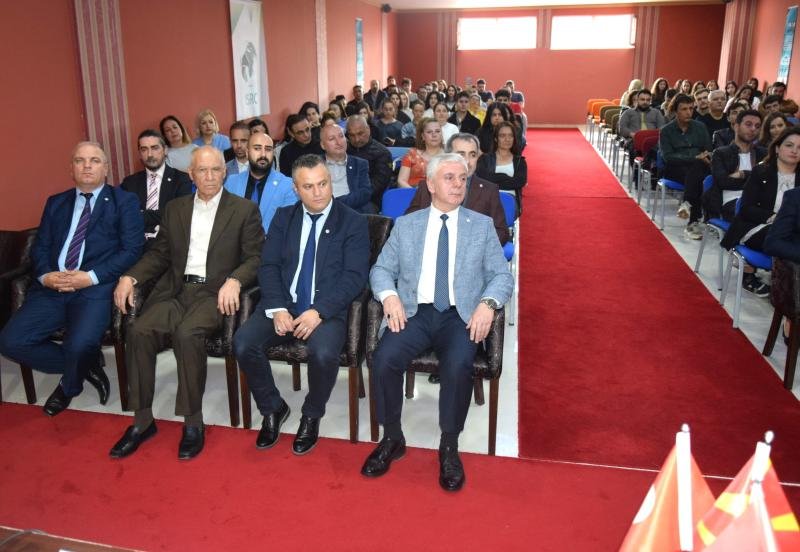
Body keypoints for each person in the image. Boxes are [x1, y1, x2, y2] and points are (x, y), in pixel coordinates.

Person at [363, 152, 513, 492]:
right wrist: (389, 296)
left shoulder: (480, 226)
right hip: (415, 312)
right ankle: (392, 437)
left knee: (458, 365)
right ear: (430, 184)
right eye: (449, 178)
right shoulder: (407, 225)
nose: (458, 184)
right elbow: (382, 269)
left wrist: (488, 304)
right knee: (384, 358)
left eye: (462, 178)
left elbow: (502, 276)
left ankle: (449, 445)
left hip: (460, 315)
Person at [109, 146, 263, 460]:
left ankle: (193, 422)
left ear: (225, 172)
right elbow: (159, 254)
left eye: (216, 169)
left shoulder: (244, 210)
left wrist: (235, 280)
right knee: (138, 331)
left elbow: (256, 257)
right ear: (191, 174)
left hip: (213, 293)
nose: (210, 176)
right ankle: (142, 421)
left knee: (187, 334)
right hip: (176, 291)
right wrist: (130, 277)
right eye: (202, 170)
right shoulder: (176, 208)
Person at [233, 154, 369, 455]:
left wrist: (319, 311)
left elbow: (355, 277)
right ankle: (273, 408)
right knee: (243, 343)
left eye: (323, 183)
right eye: (308, 187)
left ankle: (311, 414)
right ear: (295, 189)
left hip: (327, 309)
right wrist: (277, 307)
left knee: (323, 353)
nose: (318, 192)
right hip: (284, 303)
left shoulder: (353, 222)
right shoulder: (284, 217)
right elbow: (268, 266)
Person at [0, 142, 144, 416]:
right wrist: (46, 276)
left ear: (106, 168)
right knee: (10, 341)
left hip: (94, 289)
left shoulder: (124, 202)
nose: (87, 166)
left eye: (94, 160)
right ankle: (86, 364)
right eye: (80, 160)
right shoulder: (56, 202)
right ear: (71, 168)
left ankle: (69, 385)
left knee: (79, 345)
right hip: (52, 289)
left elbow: (132, 250)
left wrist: (90, 277)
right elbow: (41, 246)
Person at [721, 127, 800, 296]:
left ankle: (783, 284)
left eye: (799, 147)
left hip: (790, 229)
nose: (795, 151)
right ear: (777, 148)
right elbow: (746, 209)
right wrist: (774, 217)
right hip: (756, 225)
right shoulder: (761, 171)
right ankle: (780, 284)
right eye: (789, 145)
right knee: (785, 239)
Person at [408, 132, 509, 244]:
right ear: (448, 156)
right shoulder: (428, 185)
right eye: (461, 155)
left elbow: (501, 232)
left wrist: (475, 246)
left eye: (473, 155)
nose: (467, 161)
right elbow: (409, 223)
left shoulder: (489, 190)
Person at [121, 129, 192, 245]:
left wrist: (140, 214)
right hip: (136, 244)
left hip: (169, 243)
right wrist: (163, 213)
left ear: (165, 150)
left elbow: (178, 214)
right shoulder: (129, 183)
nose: (149, 154)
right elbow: (125, 216)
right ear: (140, 153)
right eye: (144, 149)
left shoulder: (181, 179)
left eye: (155, 148)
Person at [659, 93, 712, 239]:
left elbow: (708, 150)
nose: (689, 112)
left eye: (691, 108)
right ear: (675, 111)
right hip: (675, 169)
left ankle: (687, 205)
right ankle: (694, 220)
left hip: (698, 168)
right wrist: (693, 157)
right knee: (696, 171)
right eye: (684, 109)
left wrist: (702, 157)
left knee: (696, 171)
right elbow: (668, 157)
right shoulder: (666, 131)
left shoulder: (700, 127)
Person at [225, 132, 297, 233]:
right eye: (257, 148)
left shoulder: (288, 185)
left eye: (268, 149)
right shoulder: (231, 183)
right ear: (247, 152)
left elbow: (288, 226)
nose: (263, 154)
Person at [704, 110, 766, 222]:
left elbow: (767, 181)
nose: (753, 129)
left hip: (759, 202)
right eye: (748, 124)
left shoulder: (763, 154)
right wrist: (754, 181)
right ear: (736, 127)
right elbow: (723, 182)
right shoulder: (721, 153)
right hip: (732, 202)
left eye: (757, 126)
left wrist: (743, 174)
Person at [476, 121, 528, 213]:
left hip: (511, 205)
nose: (507, 139)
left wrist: (493, 179)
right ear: (496, 139)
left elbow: (519, 182)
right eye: (502, 136)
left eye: (510, 136)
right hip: (487, 202)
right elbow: (482, 180)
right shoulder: (485, 159)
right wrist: (506, 177)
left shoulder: (520, 162)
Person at [320, 124, 373, 212]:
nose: (338, 142)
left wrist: (334, 204)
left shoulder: (359, 164)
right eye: (332, 139)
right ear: (323, 145)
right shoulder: (314, 164)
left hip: (352, 210)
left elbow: (365, 193)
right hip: (322, 211)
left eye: (341, 136)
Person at [346, 115, 393, 210]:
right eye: (352, 135)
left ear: (368, 129)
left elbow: (377, 185)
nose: (356, 139)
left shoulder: (382, 153)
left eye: (360, 133)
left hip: (371, 201)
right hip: (345, 197)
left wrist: (353, 197)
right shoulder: (344, 150)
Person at [397, 118, 444, 188]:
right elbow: (401, 181)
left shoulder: (448, 156)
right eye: (429, 132)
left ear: (441, 134)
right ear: (423, 136)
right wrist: (416, 193)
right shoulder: (411, 154)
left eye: (437, 131)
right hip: (412, 192)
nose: (434, 135)